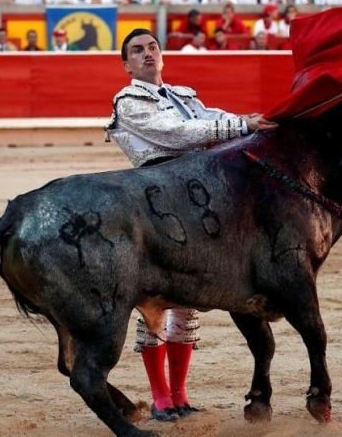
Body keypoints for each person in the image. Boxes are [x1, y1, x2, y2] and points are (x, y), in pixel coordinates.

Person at [105, 28, 276, 421]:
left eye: (152, 48)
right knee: (155, 304)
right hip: (153, 205)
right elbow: (176, 134)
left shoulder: (184, 95)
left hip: (196, 202)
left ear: (161, 56)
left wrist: (250, 121)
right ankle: (160, 397)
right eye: (137, 51)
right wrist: (241, 128)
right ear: (126, 64)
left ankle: (180, 394)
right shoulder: (128, 100)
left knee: (187, 305)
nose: (147, 54)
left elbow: (210, 119)